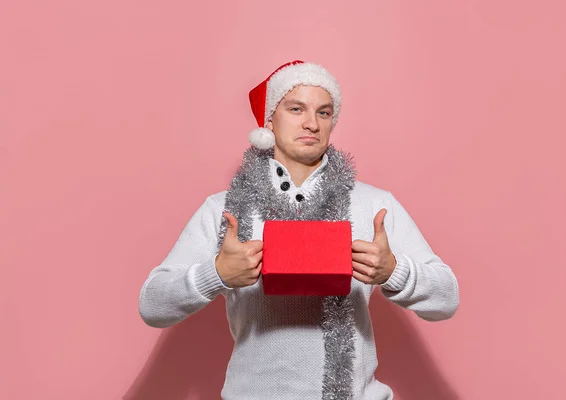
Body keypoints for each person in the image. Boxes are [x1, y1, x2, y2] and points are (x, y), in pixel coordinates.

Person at [138, 60, 460, 399]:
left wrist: (394, 271)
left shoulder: (374, 205)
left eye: (324, 112)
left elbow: (446, 299)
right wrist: (216, 273)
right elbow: (153, 306)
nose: (311, 123)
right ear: (269, 120)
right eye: (296, 109)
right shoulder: (225, 209)